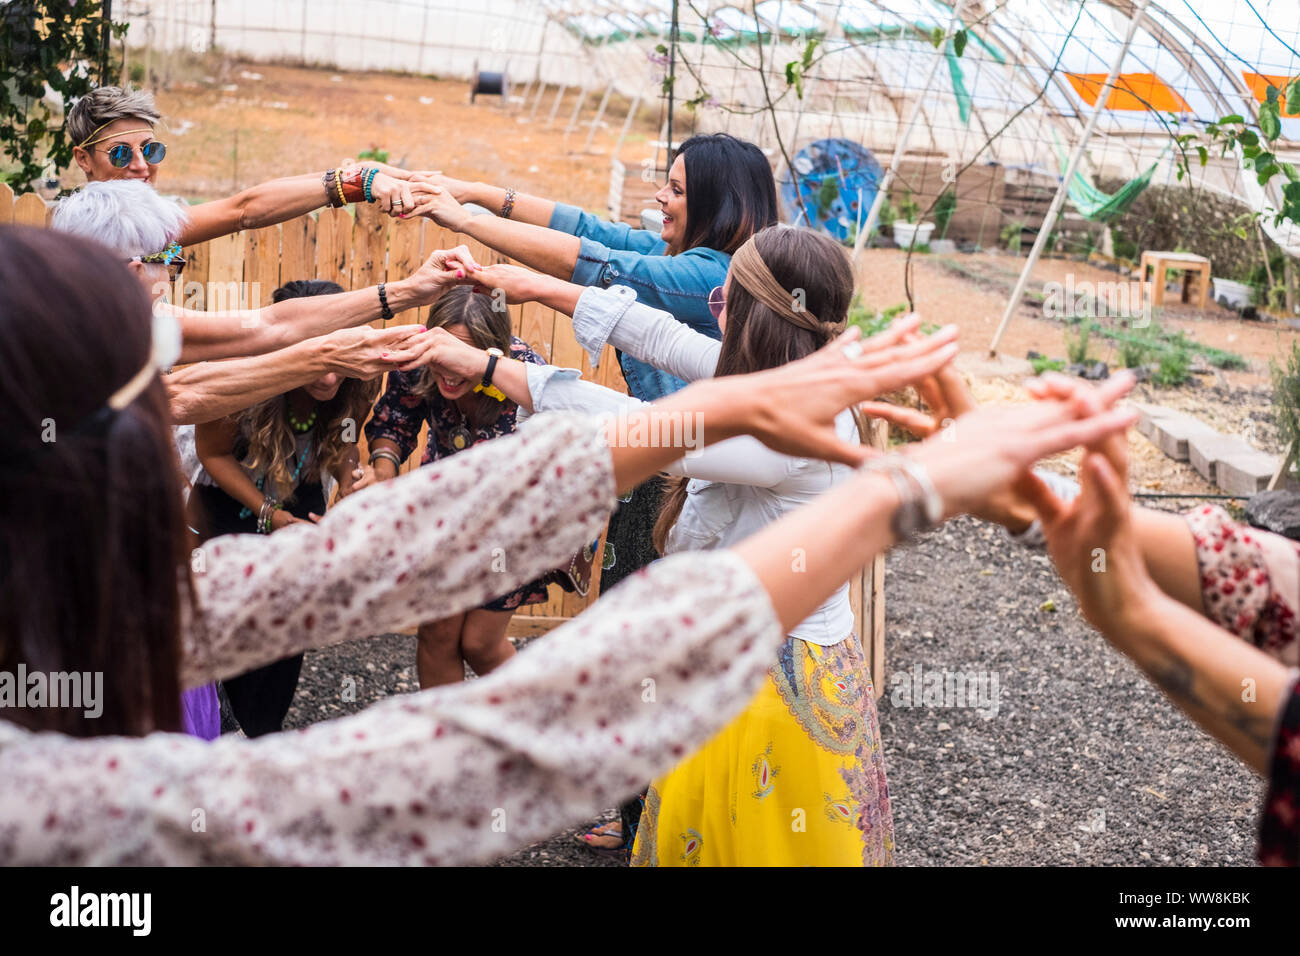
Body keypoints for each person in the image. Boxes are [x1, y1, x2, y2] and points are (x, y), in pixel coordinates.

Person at [0, 224, 1136, 865]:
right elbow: (448, 761)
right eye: (171, 396)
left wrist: (735, 413)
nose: (192, 415)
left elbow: (354, 559)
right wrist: (901, 489)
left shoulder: (83, 613)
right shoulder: (48, 803)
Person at [404, 226, 961, 864]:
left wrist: (491, 367)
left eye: (731, 296)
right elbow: (660, 336)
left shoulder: (795, 424)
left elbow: (636, 426)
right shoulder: (786, 377)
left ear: (761, 316)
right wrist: (520, 283)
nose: (716, 301)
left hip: (771, 684)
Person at [51, 178, 470, 425]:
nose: (174, 271)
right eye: (167, 258)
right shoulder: (58, 346)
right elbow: (174, 397)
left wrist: (406, 291)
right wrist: (324, 356)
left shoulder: (125, 317)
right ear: (131, 273)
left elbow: (269, 326)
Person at [191, 279, 380, 736]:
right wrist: (268, 514)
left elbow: (347, 454)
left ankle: (262, 739)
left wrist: (356, 489)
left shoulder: (355, 387)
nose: (330, 378)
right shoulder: (240, 378)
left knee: (286, 628)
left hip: (301, 493)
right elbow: (211, 455)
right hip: (228, 500)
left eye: (339, 360)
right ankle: (217, 740)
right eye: (317, 359)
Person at [361, 287, 559, 688]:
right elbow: (394, 423)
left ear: (493, 353)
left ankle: (532, 727)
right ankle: (443, 744)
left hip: (514, 524)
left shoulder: (527, 374)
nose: (448, 371)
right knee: (437, 633)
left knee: (479, 645)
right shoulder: (418, 358)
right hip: (445, 518)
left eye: (462, 356)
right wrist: (383, 471)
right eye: (442, 352)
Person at [67, 85, 431, 242]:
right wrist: (357, 183)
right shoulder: (111, 223)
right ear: (83, 159)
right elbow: (242, 211)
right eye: (119, 153)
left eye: (151, 150)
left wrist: (358, 173)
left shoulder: (135, 210)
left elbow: (243, 202)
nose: (141, 166)